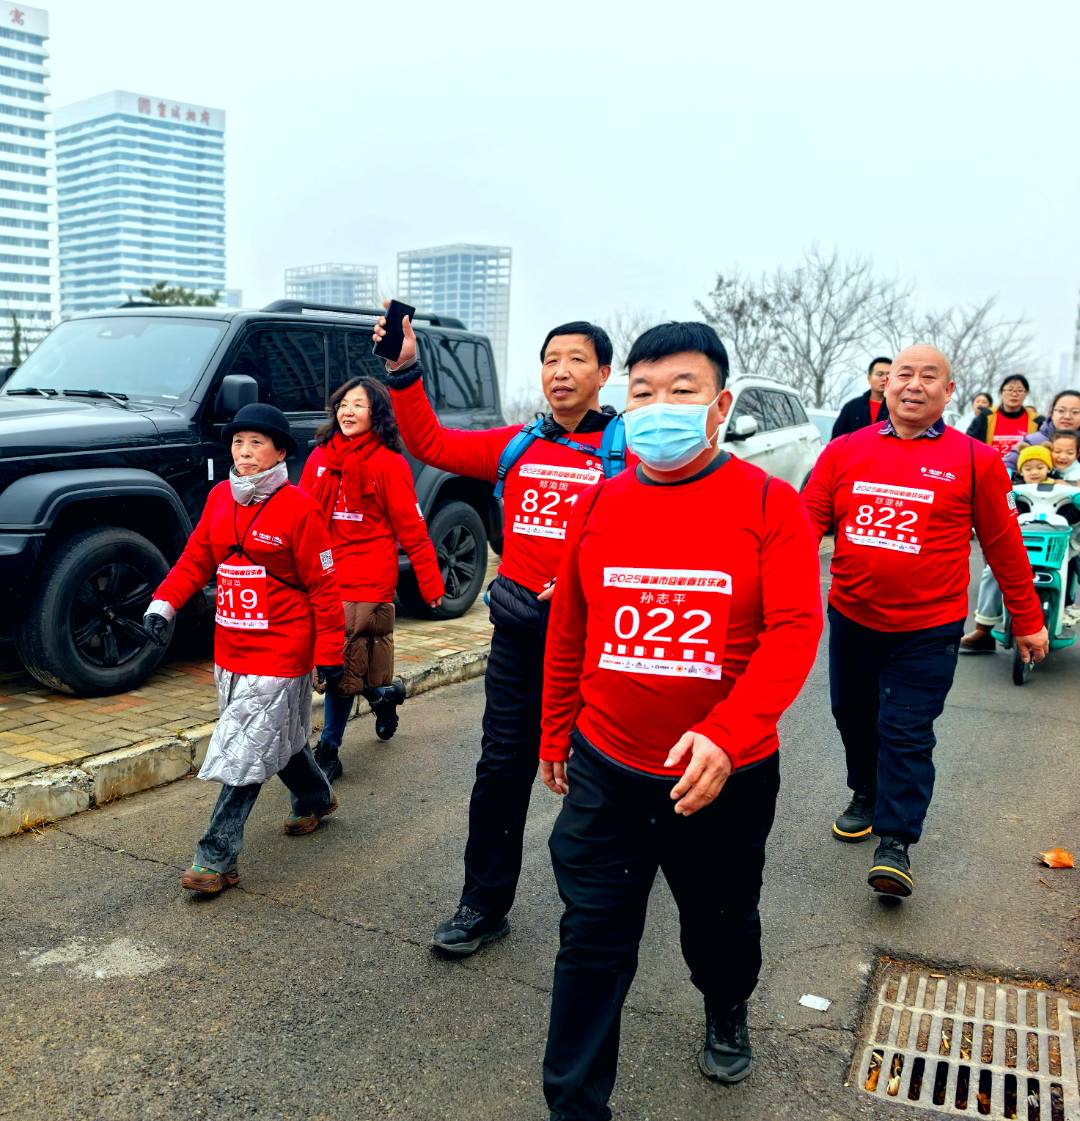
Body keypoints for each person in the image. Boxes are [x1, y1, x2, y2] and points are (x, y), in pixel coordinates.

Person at [537, 321, 822, 1119]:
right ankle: (574, 1106)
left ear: (721, 404)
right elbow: (573, 627)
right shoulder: (601, 500)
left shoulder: (770, 503)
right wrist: (557, 727)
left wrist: (728, 734)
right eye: (644, 392)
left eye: (682, 391)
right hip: (607, 766)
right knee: (590, 943)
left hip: (722, 779)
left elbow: (796, 629)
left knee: (720, 929)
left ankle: (726, 1003)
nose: (659, 406)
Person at [374, 312, 634, 956]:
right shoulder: (516, 444)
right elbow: (430, 443)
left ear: (604, 374)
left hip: (599, 642)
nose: (561, 372)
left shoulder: (632, 455)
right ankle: (483, 905)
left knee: (602, 774)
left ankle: (604, 906)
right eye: (550, 360)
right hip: (520, 635)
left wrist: (587, 585)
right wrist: (405, 371)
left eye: (576, 360)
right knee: (500, 771)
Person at [802, 346, 1047, 897]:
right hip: (852, 617)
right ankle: (865, 792)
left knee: (907, 731)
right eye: (903, 375)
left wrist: (1028, 620)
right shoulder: (844, 449)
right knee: (853, 715)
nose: (913, 385)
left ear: (949, 391)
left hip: (927, 629)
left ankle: (895, 844)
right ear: (885, 387)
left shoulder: (975, 459)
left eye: (928, 376)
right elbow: (806, 523)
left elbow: (1005, 545)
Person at [142, 403, 345, 894]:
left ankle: (216, 858)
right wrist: (162, 606)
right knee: (278, 735)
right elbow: (195, 559)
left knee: (246, 749)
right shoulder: (218, 499)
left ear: (280, 451)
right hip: (230, 649)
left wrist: (330, 654)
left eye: (256, 443)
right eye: (238, 442)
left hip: (283, 648)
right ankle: (316, 797)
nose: (245, 452)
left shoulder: (300, 508)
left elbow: (324, 586)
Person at [299, 377, 444, 777]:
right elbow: (302, 518)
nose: (348, 411)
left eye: (358, 405)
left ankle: (328, 750)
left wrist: (431, 585)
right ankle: (383, 697)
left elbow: (412, 528)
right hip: (326, 573)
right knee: (345, 662)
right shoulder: (320, 460)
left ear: (376, 414)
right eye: (343, 403)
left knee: (342, 662)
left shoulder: (389, 464)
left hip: (368, 576)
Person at [966, 374, 1043, 458]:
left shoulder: (1037, 421)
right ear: (1001, 393)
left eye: (1020, 390)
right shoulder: (984, 418)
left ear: (1026, 394)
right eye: (1010, 390)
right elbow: (969, 446)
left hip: (1025, 470)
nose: (1014, 394)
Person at [1004, 390, 1080, 474]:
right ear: (1051, 414)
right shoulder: (1032, 442)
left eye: (1075, 412)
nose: (1067, 416)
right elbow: (1006, 468)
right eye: (1061, 411)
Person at [831, 356, 892, 438]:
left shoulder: (897, 408)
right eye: (880, 374)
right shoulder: (852, 407)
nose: (884, 379)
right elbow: (837, 439)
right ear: (869, 379)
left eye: (888, 375)